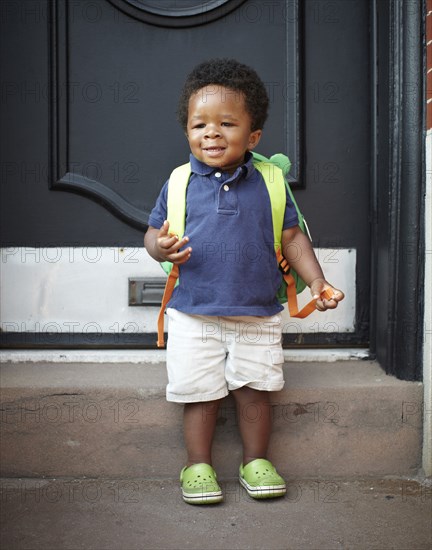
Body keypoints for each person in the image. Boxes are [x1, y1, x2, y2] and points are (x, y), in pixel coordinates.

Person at [144, 58, 344, 505]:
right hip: (193, 311)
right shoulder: (179, 182)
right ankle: (197, 464)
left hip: (257, 312)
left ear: (253, 136)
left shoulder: (270, 182)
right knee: (200, 393)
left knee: (256, 389)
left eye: (227, 124)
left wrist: (317, 282)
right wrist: (160, 246)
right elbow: (152, 233)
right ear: (187, 132)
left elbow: (292, 238)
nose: (211, 133)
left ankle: (255, 459)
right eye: (199, 125)